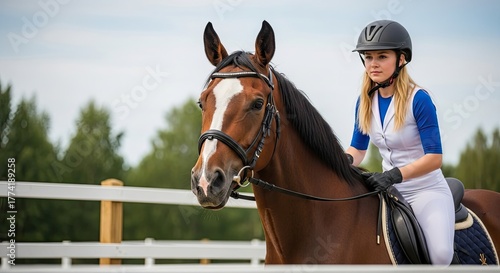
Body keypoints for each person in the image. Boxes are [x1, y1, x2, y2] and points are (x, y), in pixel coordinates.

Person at [345, 20, 455, 265]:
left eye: (382, 56)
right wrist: (341, 161)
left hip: (426, 191)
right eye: (368, 57)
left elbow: (435, 158)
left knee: (440, 254)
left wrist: (395, 175)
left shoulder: (420, 99)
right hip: (390, 192)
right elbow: (358, 150)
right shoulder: (364, 102)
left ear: (401, 59)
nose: (373, 64)